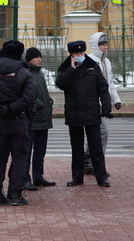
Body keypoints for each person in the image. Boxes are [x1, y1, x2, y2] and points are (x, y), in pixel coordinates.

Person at [0, 40, 36, 206]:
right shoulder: (24, 73)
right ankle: (15, 194)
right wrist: (10, 108)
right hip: (19, 121)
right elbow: (28, 99)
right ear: (20, 54)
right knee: (20, 158)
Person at [55, 40, 112, 188]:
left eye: (81, 53)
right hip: (74, 113)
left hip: (92, 112)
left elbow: (103, 88)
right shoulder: (65, 67)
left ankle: (101, 177)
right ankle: (77, 177)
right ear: (72, 55)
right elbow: (60, 84)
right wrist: (72, 69)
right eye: (77, 53)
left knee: (96, 148)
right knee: (77, 148)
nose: (80, 55)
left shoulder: (92, 65)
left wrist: (106, 107)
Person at [83, 32, 122, 175]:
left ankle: (89, 160)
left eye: (106, 44)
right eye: (102, 45)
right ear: (95, 46)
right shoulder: (89, 60)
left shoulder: (107, 62)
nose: (105, 47)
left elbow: (109, 84)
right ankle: (95, 163)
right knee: (102, 132)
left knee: (98, 133)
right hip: (93, 104)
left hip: (102, 104)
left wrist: (116, 99)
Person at [24, 47, 56, 189]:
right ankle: (25, 178)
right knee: (27, 151)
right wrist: (41, 105)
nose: (39, 59)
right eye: (36, 57)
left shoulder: (39, 73)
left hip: (43, 118)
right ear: (29, 59)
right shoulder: (27, 73)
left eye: (40, 57)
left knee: (40, 151)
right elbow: (27, 95)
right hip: (33, 119)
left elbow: (42, 92)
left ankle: (38, 176)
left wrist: (48, 100)